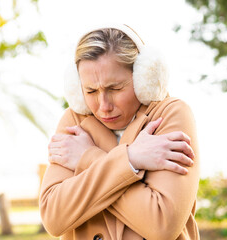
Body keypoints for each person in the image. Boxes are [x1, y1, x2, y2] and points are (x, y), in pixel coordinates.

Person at [39, 23, 200, 240]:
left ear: (144, 78)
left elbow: (162, 224)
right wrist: (132, 158)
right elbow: (53, 217)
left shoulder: (171, 114)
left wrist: (88, 159)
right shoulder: (74, 119)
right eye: (90, 91)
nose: (103, 105)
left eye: (115, 88)